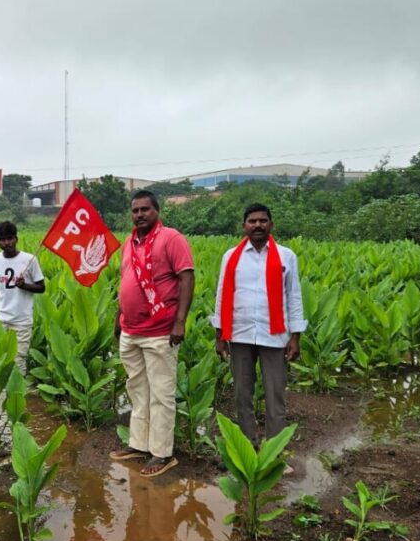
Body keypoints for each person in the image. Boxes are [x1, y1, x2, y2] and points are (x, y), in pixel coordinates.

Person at [109, 190, 194, 477]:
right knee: (137, 390)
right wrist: (118, 319)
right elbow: (126, 282)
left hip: (160, 331)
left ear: (156, 211)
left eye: (145, 209)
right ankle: (139, 445)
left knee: (161, 393)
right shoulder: (129, 243)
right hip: (131, 329)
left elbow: (186, 277)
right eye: (135, 210)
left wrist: (180, 322)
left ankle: (162, 453)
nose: (140, 215)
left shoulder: (172, 238)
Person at [212, 203, 306, 450]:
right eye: (252, 221)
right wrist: (219, 335)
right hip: (240, 334)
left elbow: (294, 297)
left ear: (271, 225)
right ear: (244, 226)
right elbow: (222, 295)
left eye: (262, 221)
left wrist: (295, 336)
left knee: (275, 395)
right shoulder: (230, 257)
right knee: (242, 394)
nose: (257, 225)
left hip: (274, 336)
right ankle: (246, 445)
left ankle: (274, 449)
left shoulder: (286, 256)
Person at [0, 220, 45, 373]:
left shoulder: (29, 260)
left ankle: (16, 395)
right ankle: (1, 396)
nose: (7, 243)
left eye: (10, 238)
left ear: (16, 239)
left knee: (18, 361)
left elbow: (41, 287)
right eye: (2, 239)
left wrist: (24, 285)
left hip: (21, 320)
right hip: (0, 318)